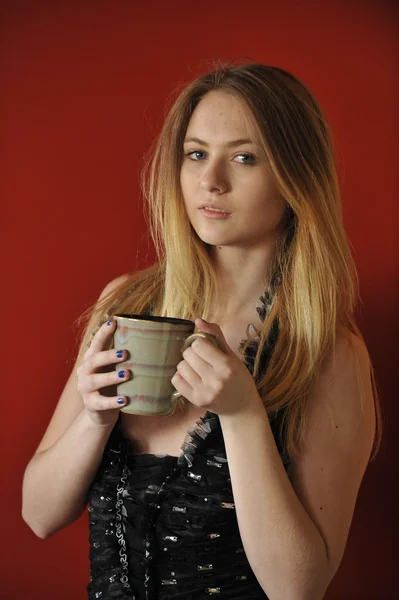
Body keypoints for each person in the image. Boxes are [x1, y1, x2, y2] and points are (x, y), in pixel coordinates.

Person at [22, 62, 382, 600]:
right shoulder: (124, 304)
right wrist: (93, 420)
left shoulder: (326, 356)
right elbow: (39, 515)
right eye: (196, 154)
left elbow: (299, 588)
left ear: (295, 175)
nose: (210, 180)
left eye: (244, 157)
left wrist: (242, 415)